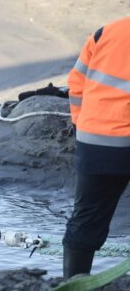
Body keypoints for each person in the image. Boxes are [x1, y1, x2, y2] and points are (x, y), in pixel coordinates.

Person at [63, 17, 130, 278]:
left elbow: (76, 82)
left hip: (96, 142)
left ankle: (73, 282)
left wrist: (82, 123)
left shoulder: (107, 32)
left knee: (86, 219)